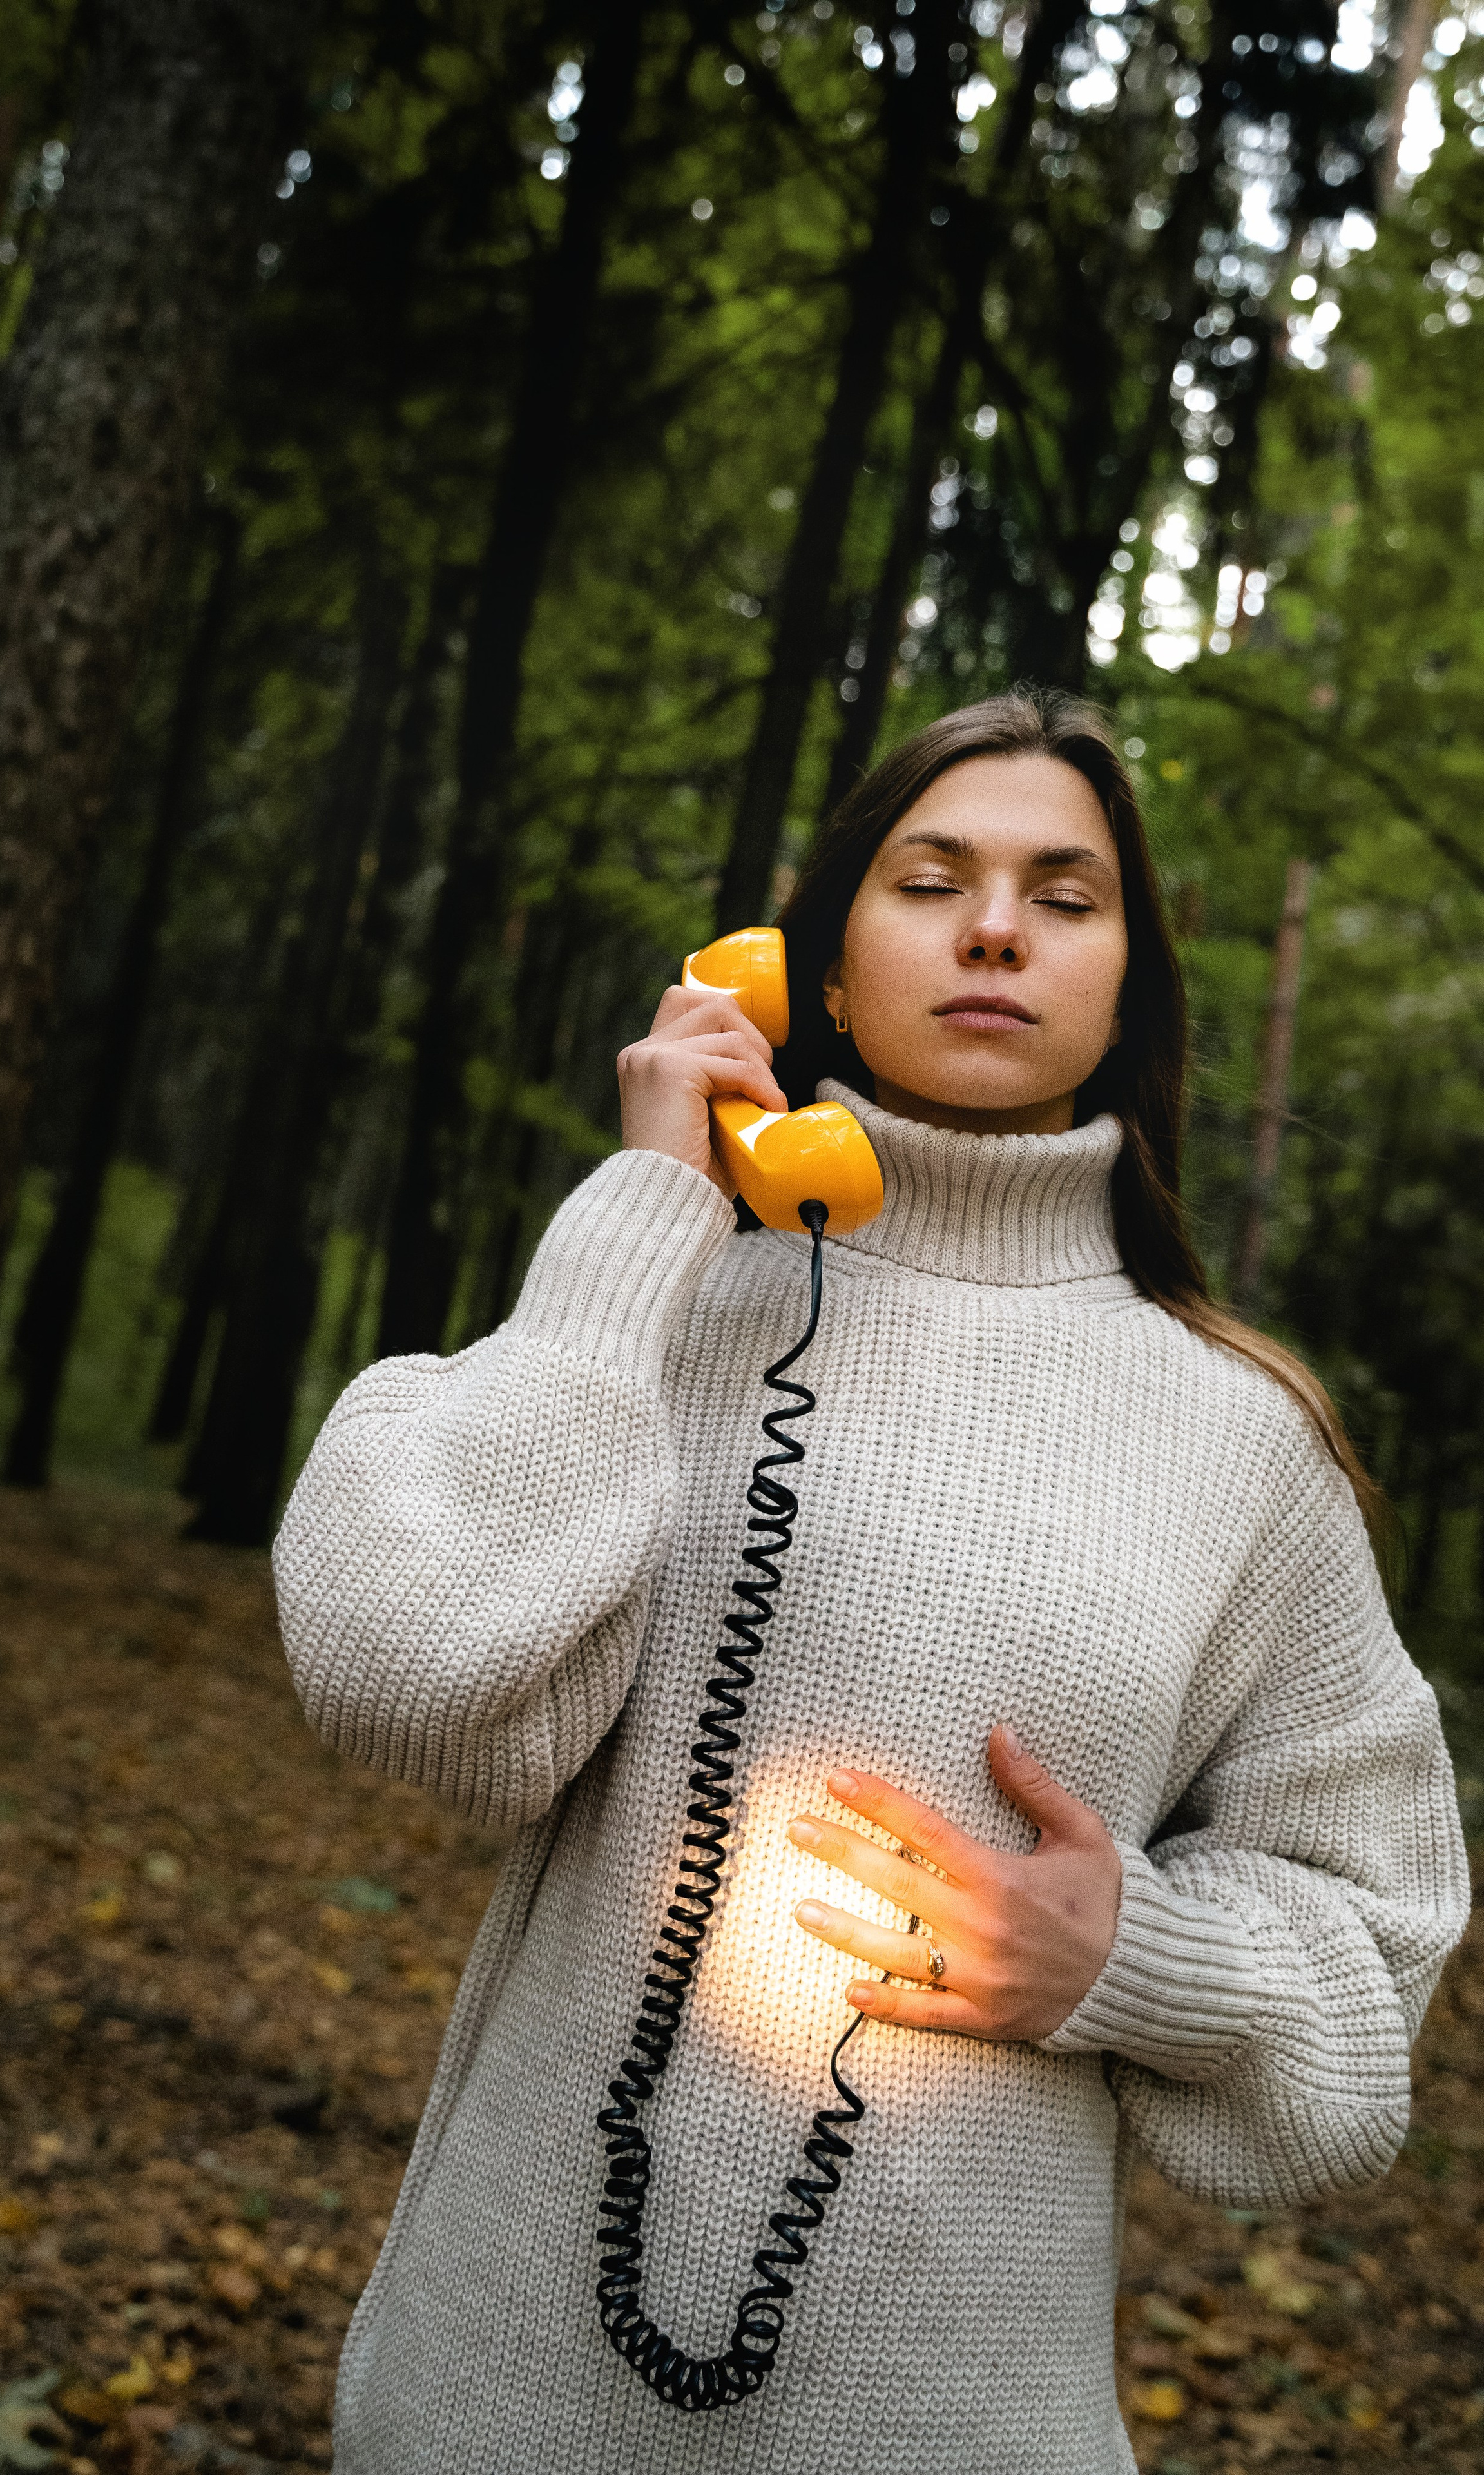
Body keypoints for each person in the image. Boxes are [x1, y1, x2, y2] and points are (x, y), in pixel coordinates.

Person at [273, 689, 1468, 2475]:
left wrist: (1131, 1957)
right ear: (817, 974)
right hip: (494, 2396)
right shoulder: (647, 1311)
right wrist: (646, 1212)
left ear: (1130, 988)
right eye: (933, 879)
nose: (997, 927)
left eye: (1066, 898)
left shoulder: (1245, 1440)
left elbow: (1368, 2004)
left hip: (959, 2419)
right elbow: (408, 1674)